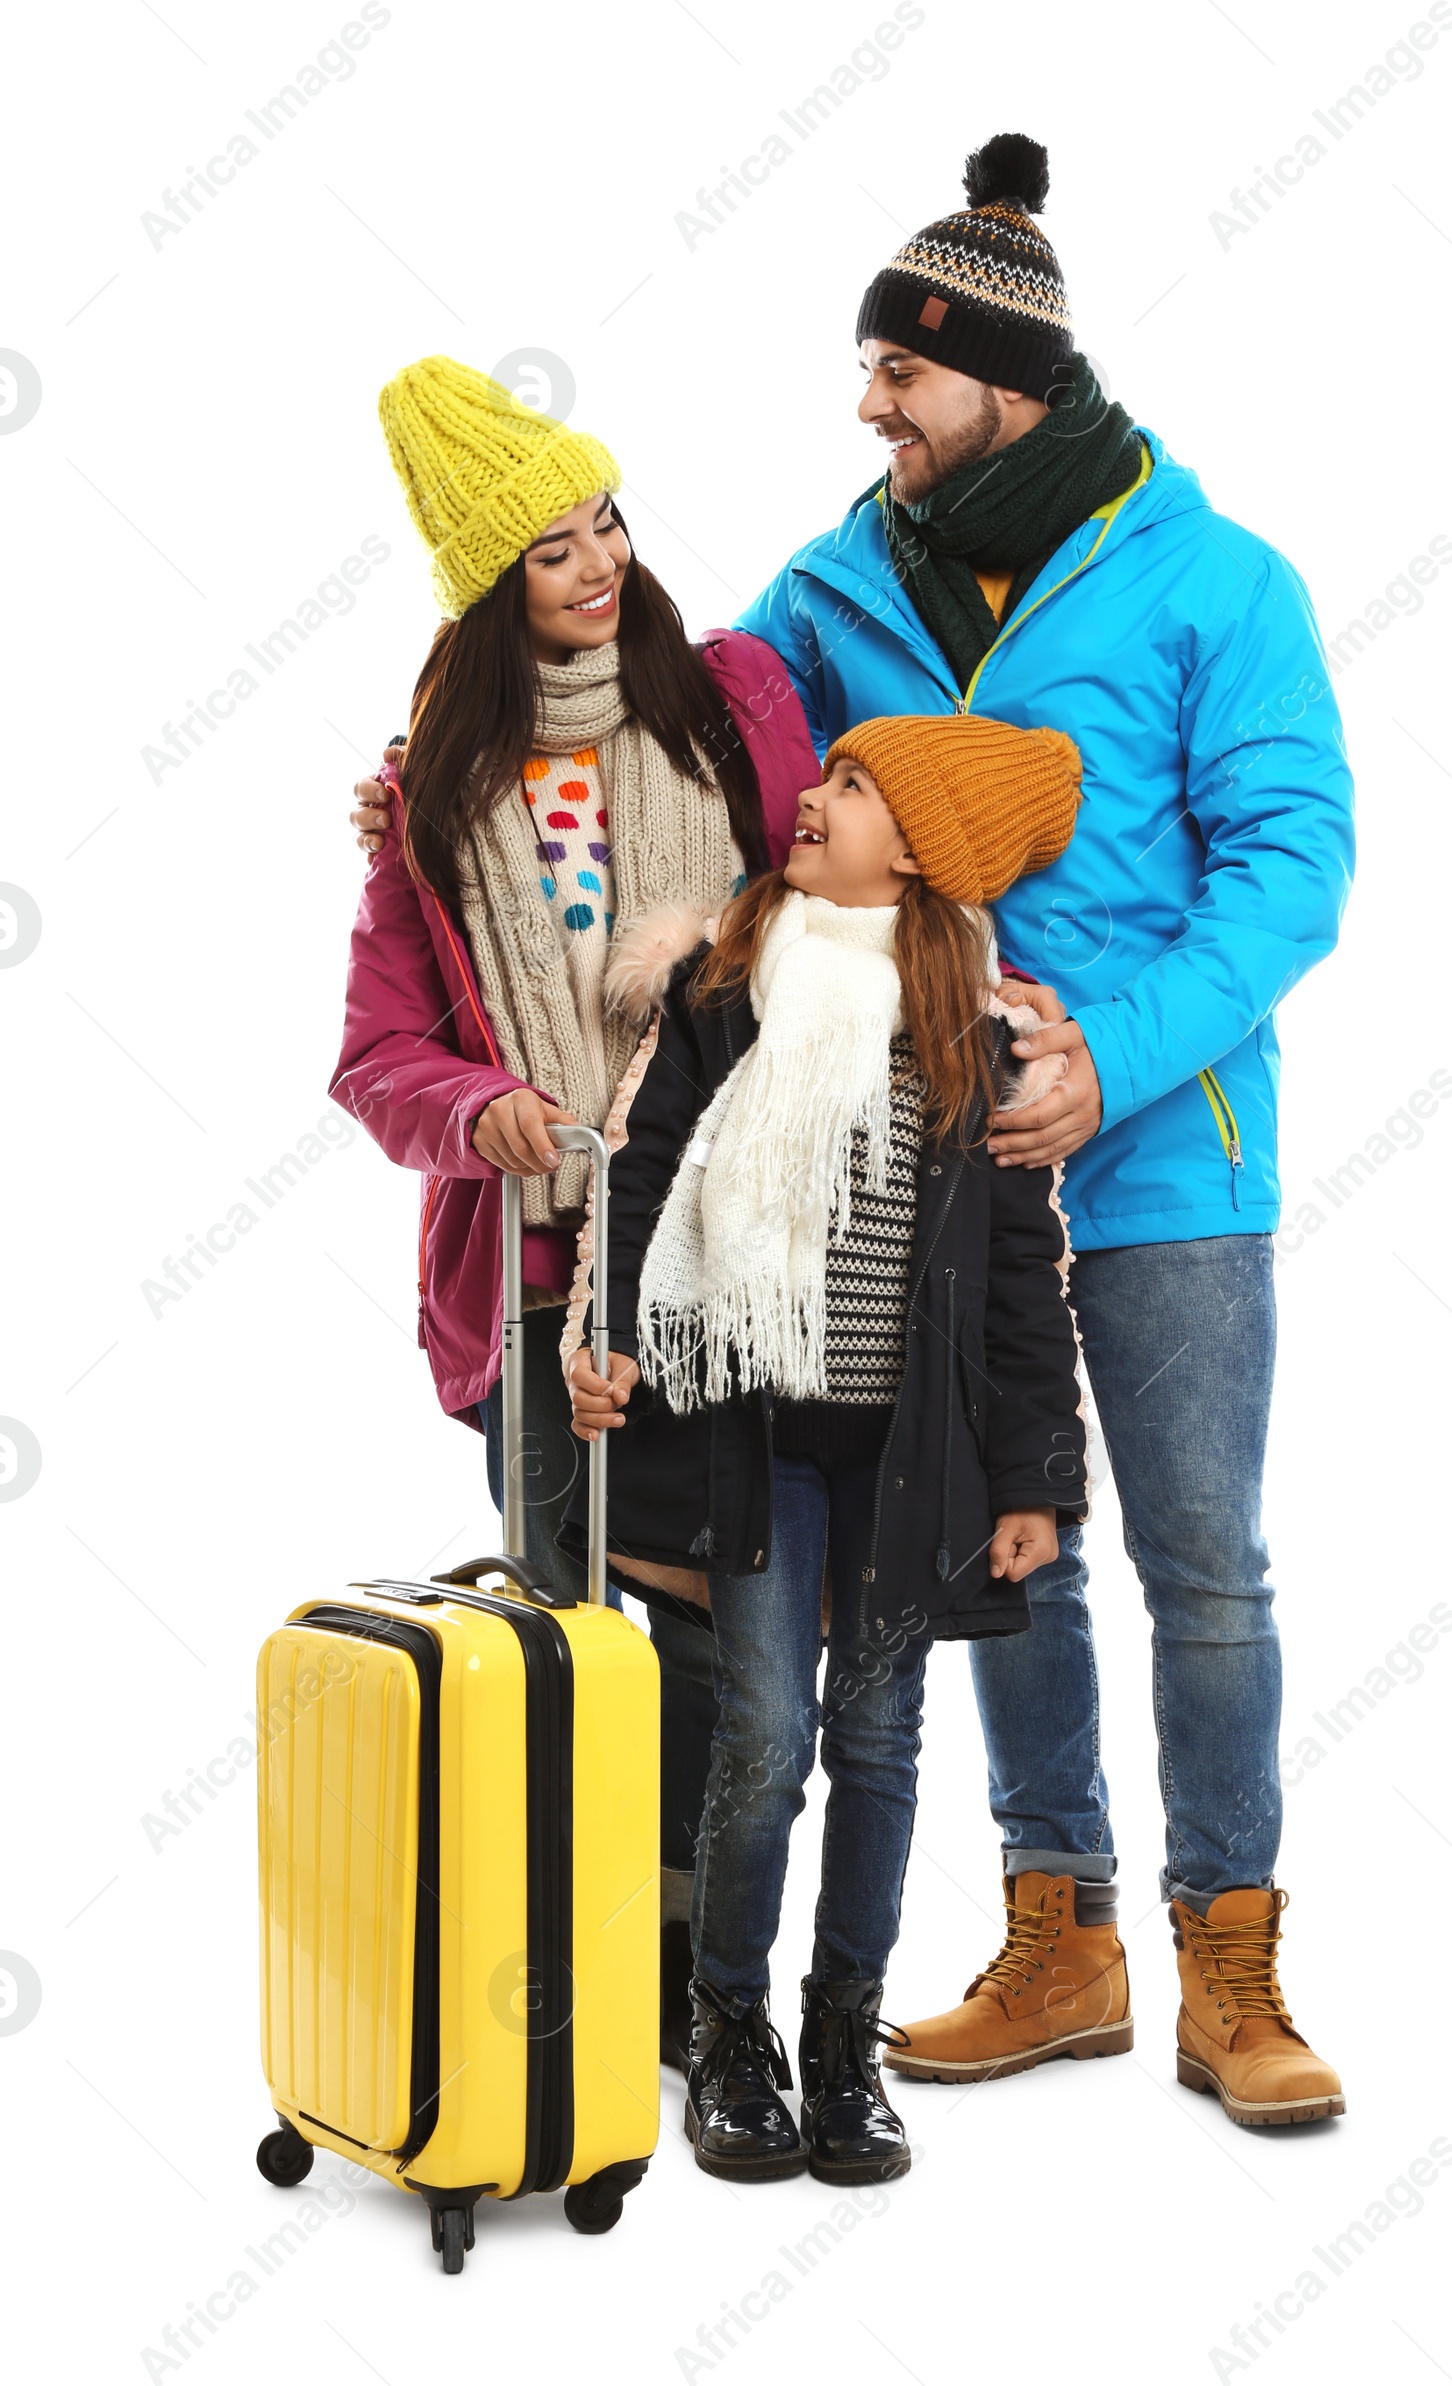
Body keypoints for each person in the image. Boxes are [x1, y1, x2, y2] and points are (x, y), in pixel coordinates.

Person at [734, 133, 1354, 2127]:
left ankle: (1229, 1965)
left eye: (895, 374)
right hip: (925, 1159)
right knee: (1000, 1542)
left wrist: (1122, 1053)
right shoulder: (828, 585)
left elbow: (1289, 863)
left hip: (1172, 1152)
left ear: (998, 373)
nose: (866, 406)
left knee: (1202, 1560)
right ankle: (1057, 1930)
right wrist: (471, 747)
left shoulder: (1215, 576)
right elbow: (706, 744)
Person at [329, 354, 816, 2070]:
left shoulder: (733, 694)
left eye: (605, 519)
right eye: (550, 547)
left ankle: (706, 1976)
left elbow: (820, 910)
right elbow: (376, 1059)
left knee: (718, 1642)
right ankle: (578, 1974)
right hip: (539, 1282)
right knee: (564, 1631)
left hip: (728, 1249)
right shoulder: (437, 799)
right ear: (492, 586)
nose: (598, 562)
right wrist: (490, 1112)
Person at [565, 712, 1091, 2184]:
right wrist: (602, 1329)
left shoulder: (967, 1034)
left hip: (906, 1464)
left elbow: (1010, 1271)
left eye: (854, 790)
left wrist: (1039, 1477)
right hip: (760, 1449)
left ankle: (842, 2037)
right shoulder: (728, 983)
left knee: (876, 1744)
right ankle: (728, 2022)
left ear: (916, 850)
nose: (813, 796)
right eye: (827, 774)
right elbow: (649, 1166)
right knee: (768, 1741)